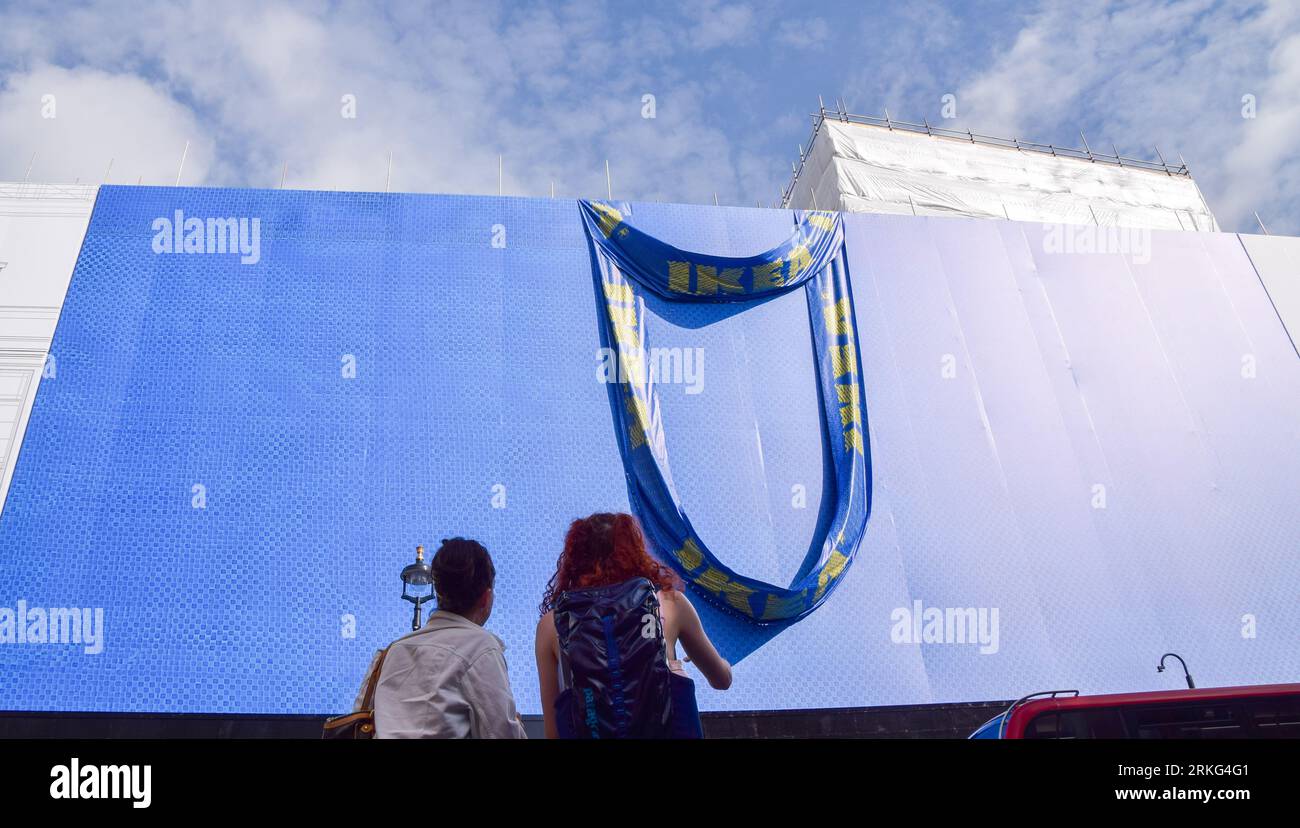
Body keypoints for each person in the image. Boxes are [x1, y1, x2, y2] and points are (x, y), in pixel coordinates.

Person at [534, 513, 732, 738]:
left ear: (575, 559)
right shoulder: (668, 603)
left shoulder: (552, 624)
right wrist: (681, 666)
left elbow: (553, 732)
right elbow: (721, 680)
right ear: (634, 552)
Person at [374, 537, 527, 739]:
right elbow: (501, 734)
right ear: (486, 597)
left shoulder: (390, 652)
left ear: (438, 592)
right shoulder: (481, 647)